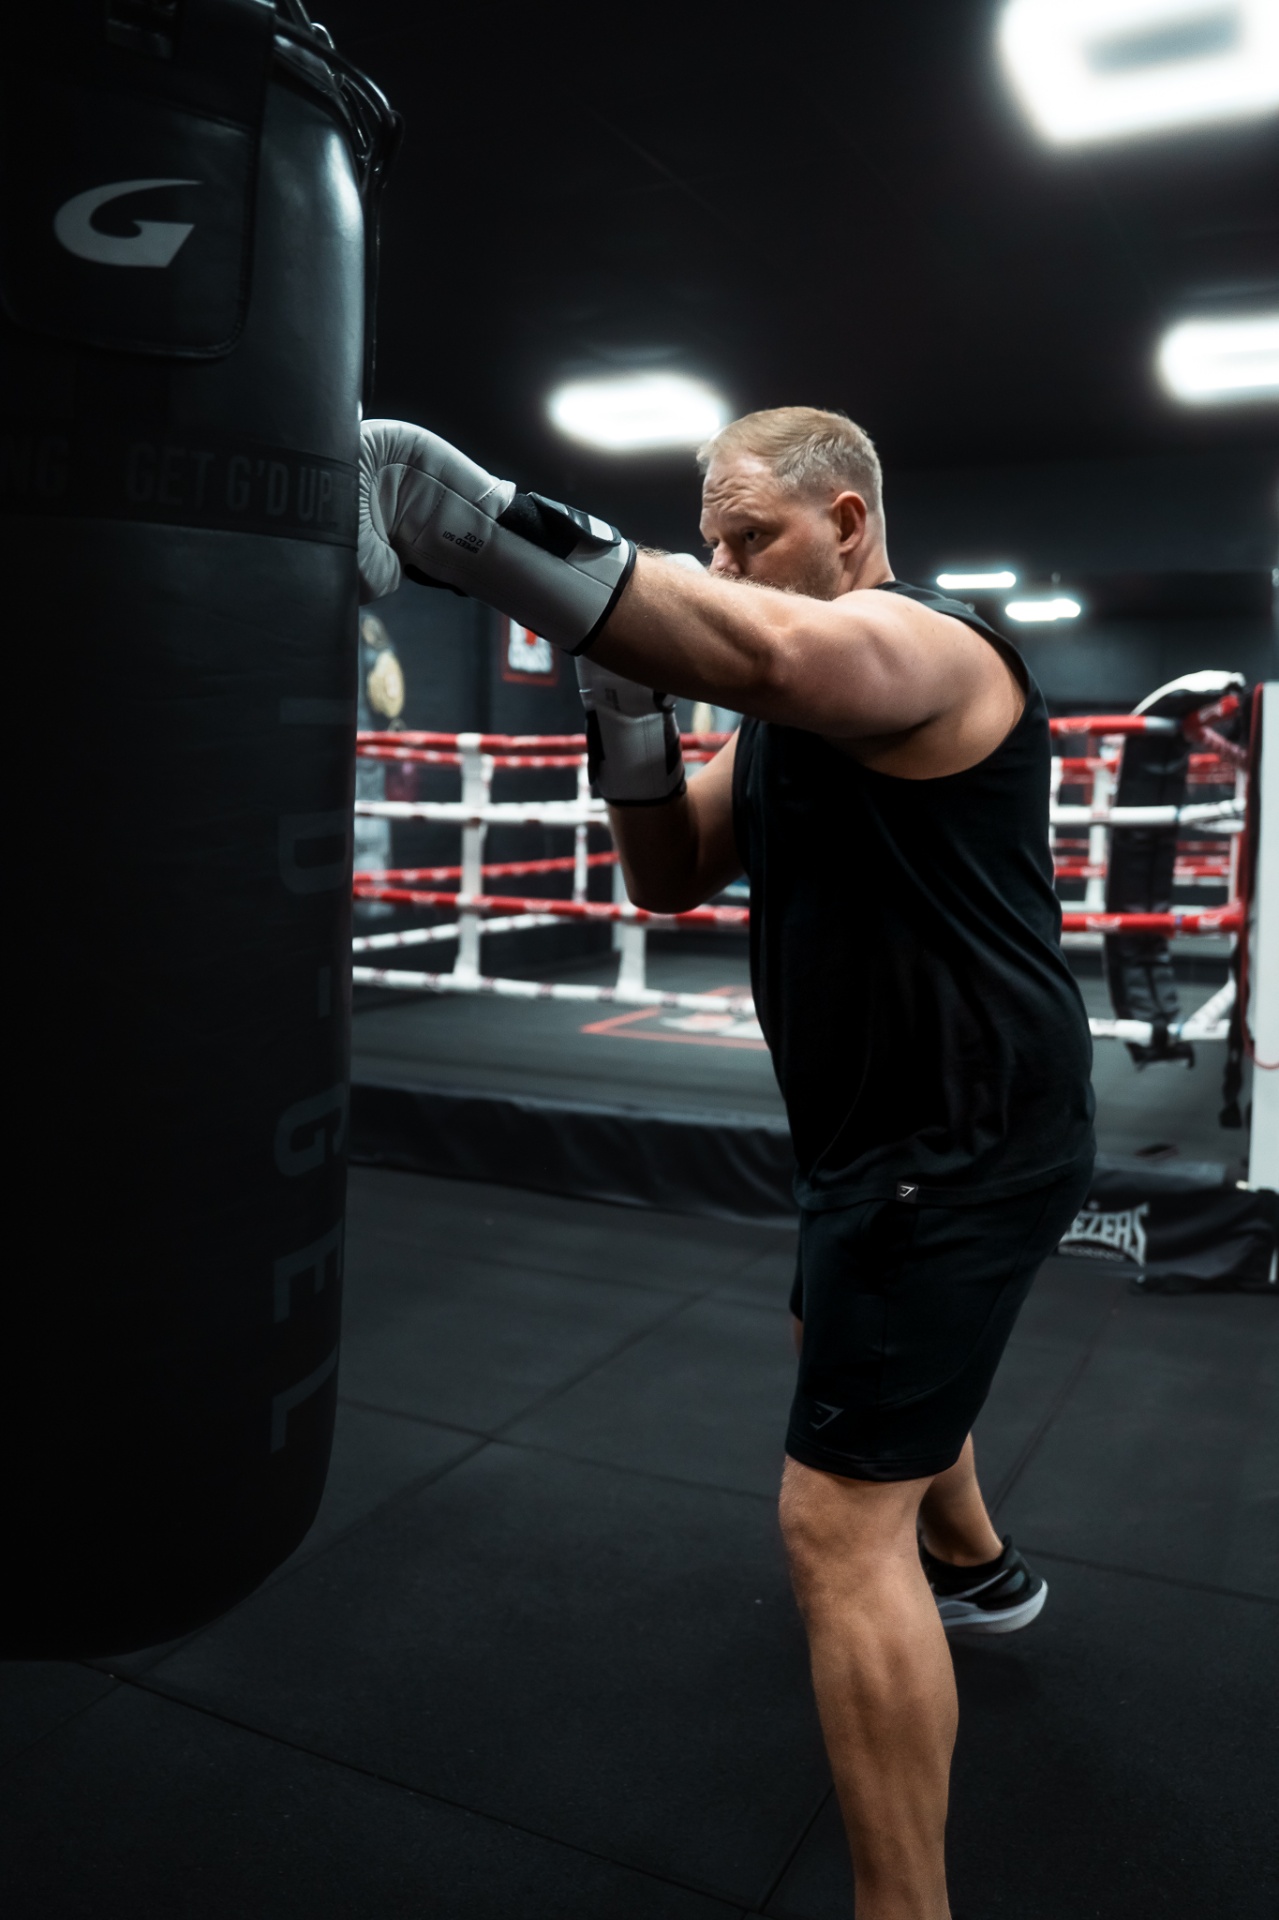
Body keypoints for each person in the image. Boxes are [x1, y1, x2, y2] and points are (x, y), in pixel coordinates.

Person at [358, 405, 1096, 1920]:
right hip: (882, 1130)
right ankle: (982, 1569)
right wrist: (627, 710)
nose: (723, 564)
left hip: (959, 1135)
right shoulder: (782, 726)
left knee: (833, 1524)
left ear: (845, 522)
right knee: (855, 1347)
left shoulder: (931, 650)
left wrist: (464, 523)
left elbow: (762, 654)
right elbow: (668, 871)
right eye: (708, 542)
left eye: (746, 536)